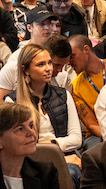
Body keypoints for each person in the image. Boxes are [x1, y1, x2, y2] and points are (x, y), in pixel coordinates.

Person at [9, 42, 83, 176]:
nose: (48, 68)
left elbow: (76, 138)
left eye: (50, 63)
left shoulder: (63, 95)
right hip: (28, 159)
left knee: (69, 173)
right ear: (25, 69)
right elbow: (16, 146)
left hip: (63, 155)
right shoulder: (12, 101)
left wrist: (51, 144)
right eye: (41, 64)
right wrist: (50, 149)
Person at [68, 36, 106, 146]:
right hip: (98, 135)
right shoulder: (75, 87)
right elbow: (92, 126)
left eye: (72, 56)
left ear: (86, 49)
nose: (69, 62)